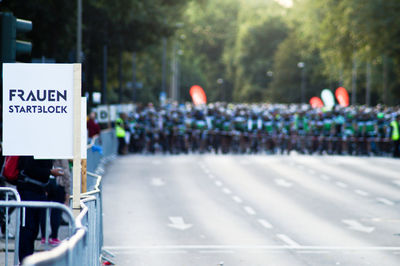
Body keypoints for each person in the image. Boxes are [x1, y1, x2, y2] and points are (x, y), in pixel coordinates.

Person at [17, 156, 64, 263]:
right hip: (30, 189)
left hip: (37, 189)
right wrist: (50, 172)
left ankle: (27, 260)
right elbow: (30, 168)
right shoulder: (33, 149)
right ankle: (25, 261)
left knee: (32, 229)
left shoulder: (40, 148)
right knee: (28, 228)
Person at [40, 159, 71, 245]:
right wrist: (67, 191)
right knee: (56, 211)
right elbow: (66, 172)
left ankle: (43, 236)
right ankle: (54, 237)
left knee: (43, 211)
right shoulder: (62, 153)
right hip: (58, 184)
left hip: (45, 183)